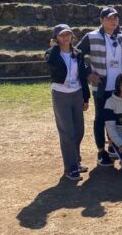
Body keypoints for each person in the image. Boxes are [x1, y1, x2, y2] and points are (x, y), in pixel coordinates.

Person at [75, 7, 122, 167]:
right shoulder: (91, 36)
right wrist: (89, 73)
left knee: (117, 118)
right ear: (101, 20)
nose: (113, 20)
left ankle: (112, 145)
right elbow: (76, 55)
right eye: (110, 18)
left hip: (119, 87)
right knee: (101, 119)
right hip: (102, 86)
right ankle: (101, 151)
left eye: (115, 18)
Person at [46, 24, 90, 180]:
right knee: (67, 132)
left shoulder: (77, 53)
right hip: (61, 94)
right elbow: (51, 64)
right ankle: (70, 167)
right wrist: (55, 48)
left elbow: (83, 76)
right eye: (61, 35)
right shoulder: (53, 53)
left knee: (79, 130)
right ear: (56, 38)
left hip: (76, 93)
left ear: (72, 36)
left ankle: (76, 161)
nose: (65, 38)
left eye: (68, 34)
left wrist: (86, 97)